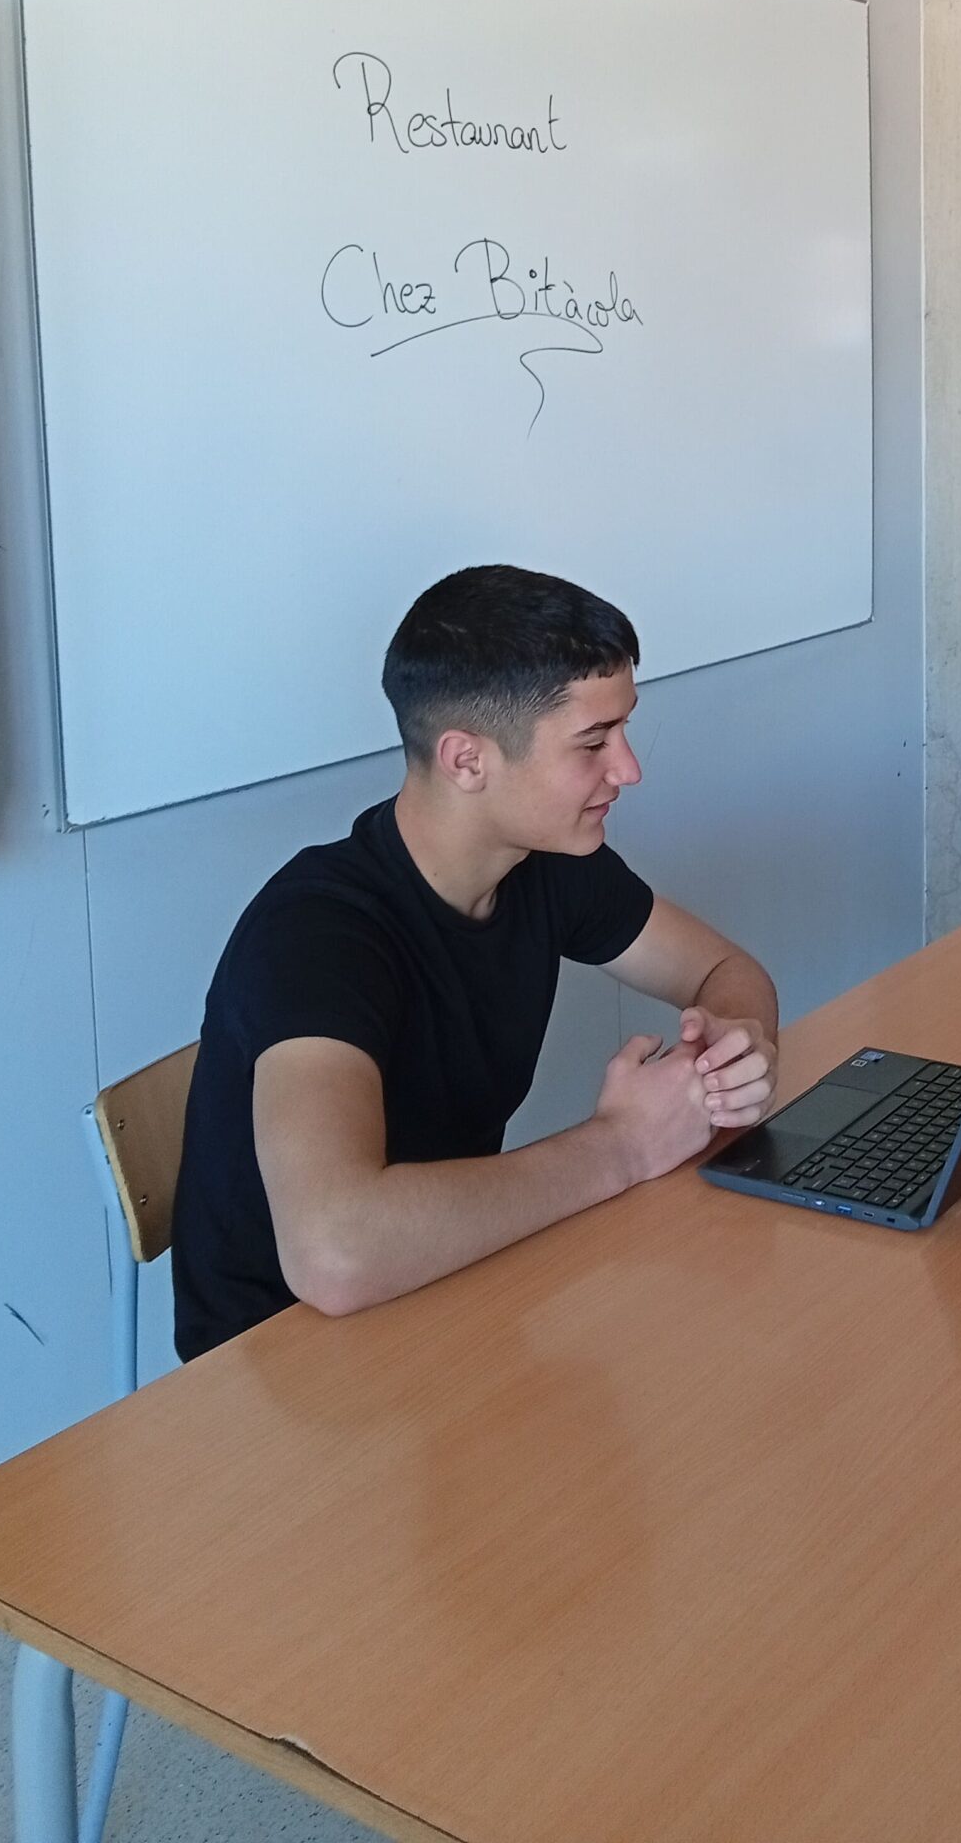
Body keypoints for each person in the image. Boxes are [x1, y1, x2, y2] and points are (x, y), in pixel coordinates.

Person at [172, 565, 779, 1358]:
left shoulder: (546, 861)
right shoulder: (315, 934)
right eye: (593, 743)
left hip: (449, 1291)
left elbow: (725, 971)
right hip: (280, 1368)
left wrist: (732, 1048)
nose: (629, 769)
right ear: (466, 761)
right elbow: (334, 1251)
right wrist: (624, 1146)